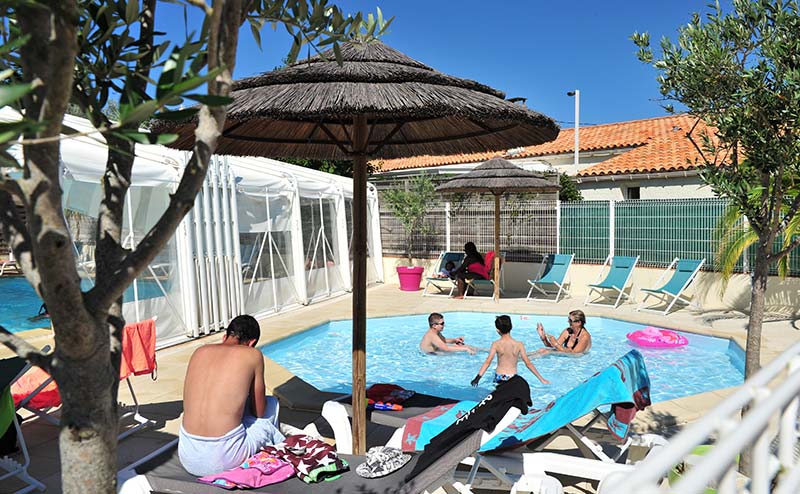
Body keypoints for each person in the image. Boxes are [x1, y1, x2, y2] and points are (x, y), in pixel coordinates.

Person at [179, 315, 285, 476]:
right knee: (271, 404)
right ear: (252, 343)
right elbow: (259, 412)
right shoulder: (252, 354)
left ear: (225, 336)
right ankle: (276, 454)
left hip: (187, 456)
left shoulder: (199, 352)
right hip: (224, 459)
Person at [471, 315, 550, 386]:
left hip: (499, 377)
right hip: (513, 377)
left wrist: (477, 378)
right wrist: (541, 379)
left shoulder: (496, 344)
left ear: (498, 330)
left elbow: (488, 362)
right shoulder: (519, 344)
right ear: (511, 327)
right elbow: (528, 364)